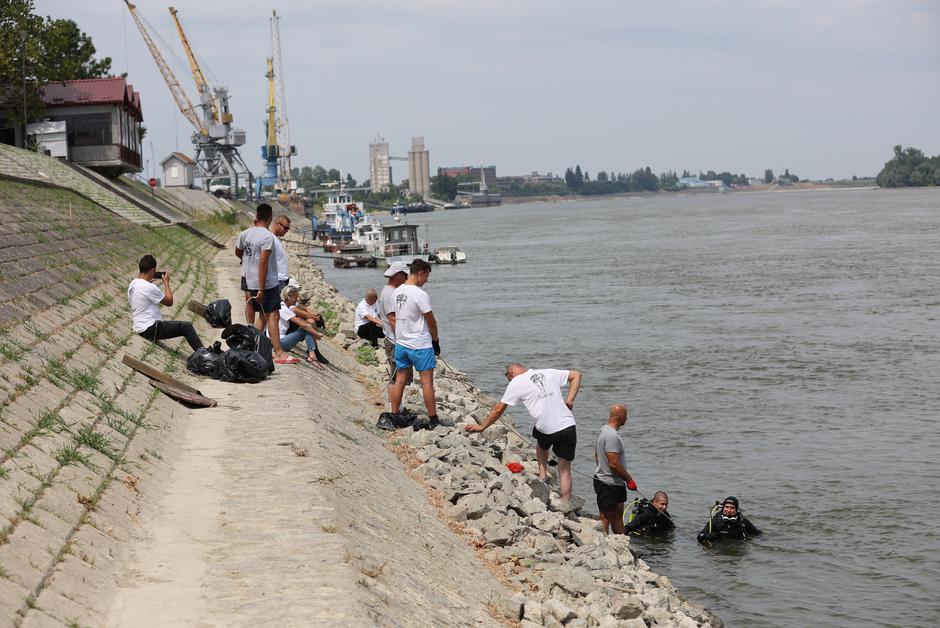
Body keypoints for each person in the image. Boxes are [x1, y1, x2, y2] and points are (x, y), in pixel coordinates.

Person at [467, 363, 582, 503]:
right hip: (568, 425)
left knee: (542, 444)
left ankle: (542, 475)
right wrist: (570, 399)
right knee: (564, 469)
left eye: (507, 377)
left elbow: (499, 410)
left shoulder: (516, 382)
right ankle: (565, 503)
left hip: (546, 428)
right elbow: (576, 375)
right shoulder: (547, 371)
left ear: (510, 374)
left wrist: (482, 427)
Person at [388, 259, 451, 429]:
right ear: (421, 273)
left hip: (401, 343)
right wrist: (436, 341)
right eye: (427, 276)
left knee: (400, 379)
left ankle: (394, 414)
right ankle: (433, 419)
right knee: (427, 383)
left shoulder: (397, 292)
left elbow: (394, 316)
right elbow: (432, 321)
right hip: (420, 344)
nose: (427, 280)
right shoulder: (420, 294)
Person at [235, 203, 297, 364]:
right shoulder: (267, 236)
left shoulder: (244, 234)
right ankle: (278, 353)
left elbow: (238, 251)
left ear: (257, 215)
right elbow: (263, 263)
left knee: (262, 315)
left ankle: (251, 344)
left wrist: (247, 262)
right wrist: (262, 288)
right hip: (266, 283)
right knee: (273, 315)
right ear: (270, 217)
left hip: (247, 278)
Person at [128, 255, 203, 351]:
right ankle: (204, 355)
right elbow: (169, 301)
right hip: (150, 328)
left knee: (182, 326)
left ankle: (203, 353)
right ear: (152, 270)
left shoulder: (133, 284)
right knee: (186, 327)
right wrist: (166, 283)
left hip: (138, 326)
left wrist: (148, 283)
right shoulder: (149, 287)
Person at [593, 404, 637, 534]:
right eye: (626, 415)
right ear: (621, 416)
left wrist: (601, 467)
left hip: (617, 483)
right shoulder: (612, 435)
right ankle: (603, 545)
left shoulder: (604, 430)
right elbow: (613, 462)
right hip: (607, 483)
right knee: (606, 517)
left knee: (618, 514)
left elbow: (596, 455)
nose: (627, 418)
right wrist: (629, 479)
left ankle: (623, 544)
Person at [378, 261, 412, 393]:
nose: (406, 279)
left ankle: (399, 408)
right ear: (398, 275)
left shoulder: (389, 291)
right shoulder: (390, 294)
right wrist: (404, 340)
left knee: (399, 377)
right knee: (397, 377)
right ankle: (396, 410)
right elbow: (392, 319)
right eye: (405, 276)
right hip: (395, 341)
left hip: (393, 339)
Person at [278, 285, 324, 367]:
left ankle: (312, 354)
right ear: (288, 297)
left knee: (307, 326)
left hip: (282, 340)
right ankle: (312, 355)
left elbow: (304, 313)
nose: (297, 300)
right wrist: (316, 334)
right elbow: (303, 324)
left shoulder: (286, 307)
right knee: (306, 327)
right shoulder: (283, 308)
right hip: (281, 344)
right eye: (295, 297)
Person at [697, 496, 762, 545]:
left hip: (738, 548)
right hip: (719, 550)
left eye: (732, 508)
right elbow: (700, 536)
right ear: (723, 508)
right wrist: (707, 536)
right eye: (726, 507)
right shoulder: (715, 521)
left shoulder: (743, 521)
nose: (728, 510)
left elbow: (758, 535)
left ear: (736, 510)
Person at [271, 214, 292, 292]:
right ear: (277, 224)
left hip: (282, 280)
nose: (287, 231)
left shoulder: (275, 239)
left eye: (288, 228)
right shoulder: (271, 239)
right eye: (285, 228)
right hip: (278, 281)